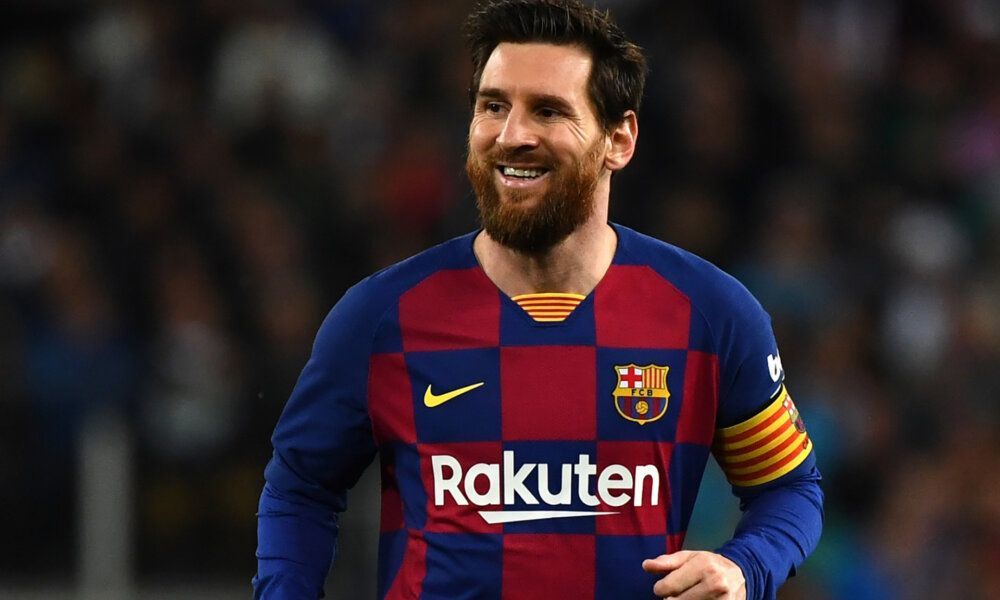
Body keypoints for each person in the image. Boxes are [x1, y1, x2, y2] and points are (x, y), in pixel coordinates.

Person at [254, 1, 823, 598]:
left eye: (548, 111)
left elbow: (789, 488)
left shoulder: (711, 314)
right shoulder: (380, 318)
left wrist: (743, 567)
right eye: (493, 106)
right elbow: (299, 488)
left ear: (619, 139)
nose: (512, 135)